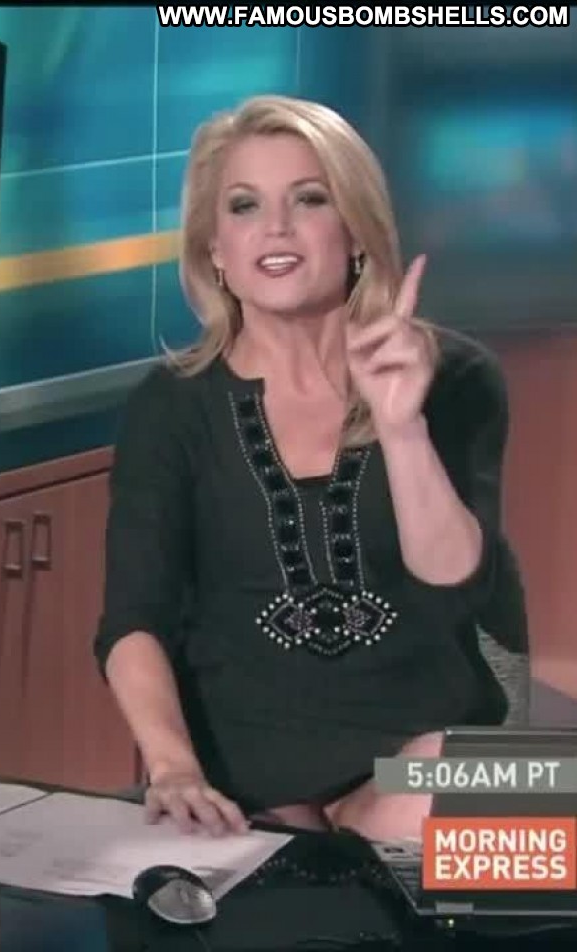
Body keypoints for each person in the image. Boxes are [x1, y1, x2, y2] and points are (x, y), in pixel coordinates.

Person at [94, 94, 521, 841]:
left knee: (530, 814)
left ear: (355, 230)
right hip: (246, 776)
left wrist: (402, 427)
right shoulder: (171, 406)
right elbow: (134, 622)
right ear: (215, 250)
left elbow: (457, 577)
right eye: (245, 206)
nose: (277, 227)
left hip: (421, 751)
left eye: (309, 199)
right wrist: (173, 768)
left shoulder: (455, 376)